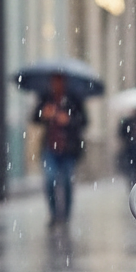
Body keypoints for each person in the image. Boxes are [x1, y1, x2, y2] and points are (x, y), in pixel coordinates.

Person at [34, 73, 87, 223]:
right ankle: (54, 213)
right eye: (53, 82)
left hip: (68, 149)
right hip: (50, 148)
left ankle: (66, 214)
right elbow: (34, 118)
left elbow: (83, 121)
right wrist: (44, 114)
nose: (56, 85)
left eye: (59, 82)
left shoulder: (74, 99)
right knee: (50, 180)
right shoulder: (46, 98)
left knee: (67, 181)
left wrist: (68, 120)